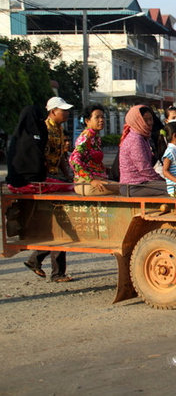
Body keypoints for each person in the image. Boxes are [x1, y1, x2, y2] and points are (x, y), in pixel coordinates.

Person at [7, 105, 72, 283]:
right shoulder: (40, 133)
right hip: (37, 183)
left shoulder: (30, 134)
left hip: (39, 181)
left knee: (53, 224)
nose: (66, 113)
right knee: (58, 224)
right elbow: (37, 162)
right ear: (53, 111)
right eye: (62, 110)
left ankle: (35, 260)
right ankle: (55, 271)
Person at [119, 105, 168, 197]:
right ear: (137, 121)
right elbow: (144, 169)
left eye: (151, 119)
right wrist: (162, 180)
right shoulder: (135, 139)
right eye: (145, 120)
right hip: (134, 185)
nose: (150, 123)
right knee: (173, 188)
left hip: (141, 183)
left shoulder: (142, 137)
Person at [70, 104, 119, 196]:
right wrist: (91, 180)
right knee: (125, 189)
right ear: (87, 121)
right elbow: (73, 160)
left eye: (102, 117)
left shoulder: (95, 137)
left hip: (96, 180)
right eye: (97, 117)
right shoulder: (86, 136)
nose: (101, 120)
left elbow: (90, 161)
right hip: (86, 183)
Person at [44, 97, 74, 182]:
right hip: (47, 175)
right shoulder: (45, 129)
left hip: (56, 173)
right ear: (53, 111)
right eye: (64, 110)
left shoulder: (59, 129)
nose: (67, 113)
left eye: (67, 111)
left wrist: (67, 175)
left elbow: (60, 155)